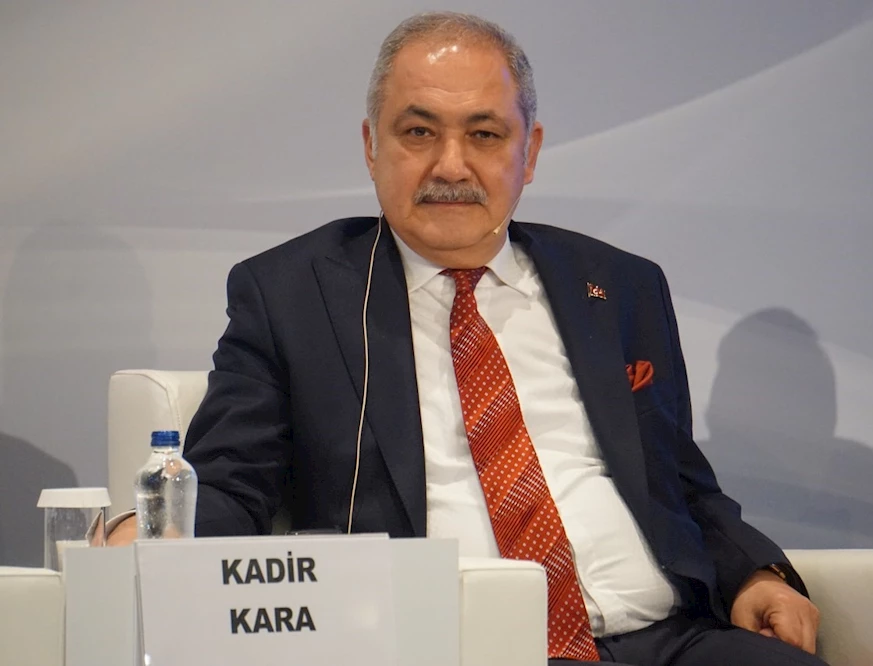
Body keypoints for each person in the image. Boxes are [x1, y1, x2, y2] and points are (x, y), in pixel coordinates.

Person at [111, 12, 823, 666]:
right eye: (419, 133)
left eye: (484, 135)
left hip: (669, 641)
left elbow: (679, 480)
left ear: (529, 152)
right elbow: (231, 481)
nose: (451, 166)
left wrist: (754, 573)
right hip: (450, 645)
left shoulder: (617, 285)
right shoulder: (292, 295)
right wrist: (151, 533)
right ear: (371, 146)